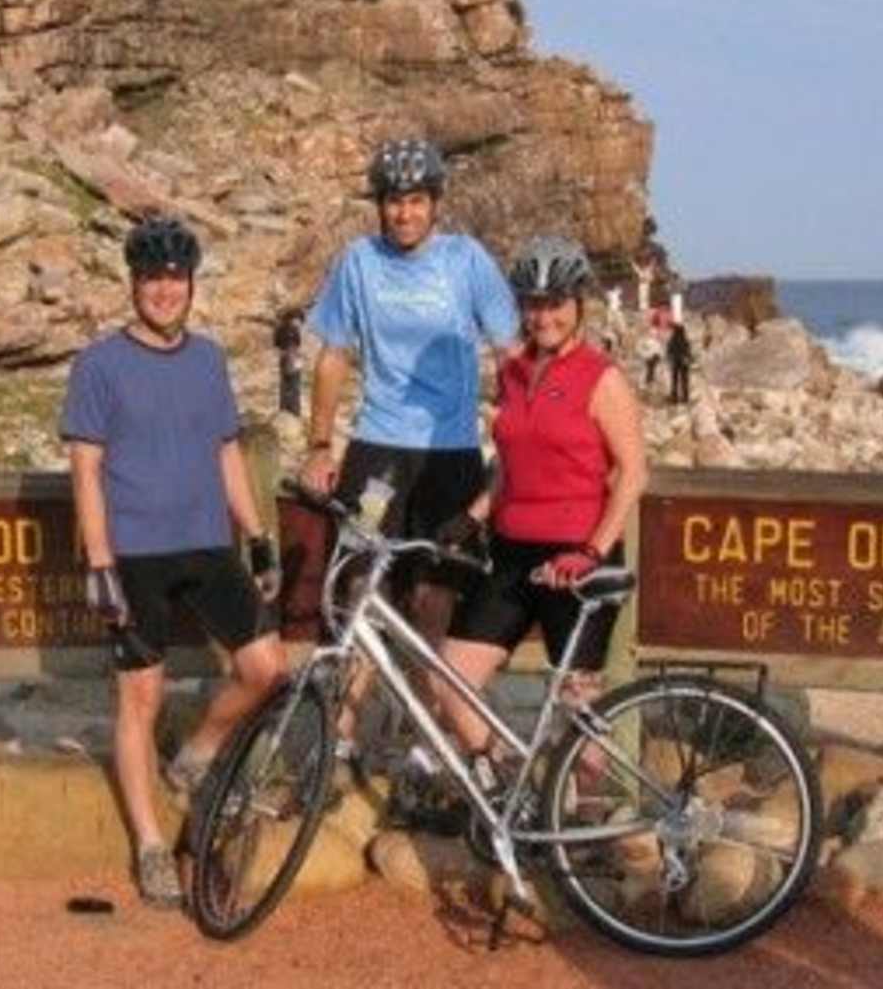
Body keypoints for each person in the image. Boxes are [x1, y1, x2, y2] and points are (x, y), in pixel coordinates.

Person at [60, 217, 285, 908]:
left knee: (266, 668)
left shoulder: (209, 359)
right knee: (140, 697)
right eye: (152, 278)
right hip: (134, 552)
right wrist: (100, 565)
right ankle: (153, 845)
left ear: (190, 285)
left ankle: (195, 755)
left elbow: (226, 451)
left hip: (207, 542)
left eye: (175, 278)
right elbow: (86, 467)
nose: (164, 290)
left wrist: (256, 534)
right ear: (134, 283)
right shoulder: (97, 364)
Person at [297, 138, 520, 748]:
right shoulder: (358, 262)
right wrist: (321, 444)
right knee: (356, 586)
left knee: (433, 596)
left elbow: (511, 354)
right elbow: (333, 356)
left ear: (435, 203)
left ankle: (427, 741)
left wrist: (524, 437)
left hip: (450, 454)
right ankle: (337, 737)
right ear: (381, 205)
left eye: (416, 201)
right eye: (394, 202)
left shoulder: (466, 260)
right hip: (377, 449)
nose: (405, 214)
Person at [432, 236, 648, 763]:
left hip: (577, 556)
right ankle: (513, 784)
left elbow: (634, 474)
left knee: (580, 712)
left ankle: (583, 832)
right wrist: (472, 516)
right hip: (510, 552)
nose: (543, 316)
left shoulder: (602, 379)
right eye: (532, 303)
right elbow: (511, 461)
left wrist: (593, 552)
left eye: (555, 303)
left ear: (579, 305)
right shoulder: (512, 372)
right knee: (449, 682)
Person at [272, 308, 304, 416]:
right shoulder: (293, 330)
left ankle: (284, 409)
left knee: (285, 385)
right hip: (292, 357)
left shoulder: (279, 328)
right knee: (294, 385)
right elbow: (297, 344)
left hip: (284, 357)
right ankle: (294, 411)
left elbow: (276, 343)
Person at [666, 323, 693, 405]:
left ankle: (674, 397)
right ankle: (685, 397)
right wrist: (689, 359)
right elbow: (688, 352)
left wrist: (670, 359)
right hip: (684, 363)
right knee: (684, 380)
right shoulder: (685, 340)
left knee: (675, 381)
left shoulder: (672, 340)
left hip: (675, 362)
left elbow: (669, 351)